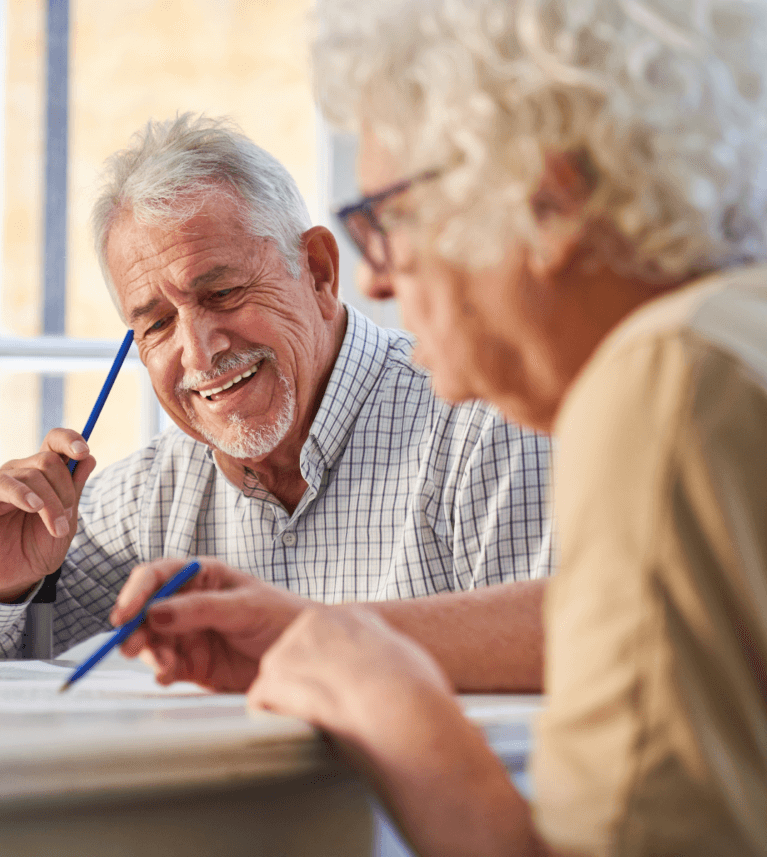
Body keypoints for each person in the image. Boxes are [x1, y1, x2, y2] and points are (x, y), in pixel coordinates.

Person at [227, 0, 767, 854]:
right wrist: (334, 632)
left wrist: (389, 706)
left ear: (546, 201)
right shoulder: (734, 339)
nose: (374, 283)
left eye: (387, 220)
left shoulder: (662, 379)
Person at [0, 114, 554, 694]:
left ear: (319, 272)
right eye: (157, 324)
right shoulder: (157, 490)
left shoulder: (484, 427)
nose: (199, 352)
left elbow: (566, 664)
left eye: (222, 294)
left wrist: (308, 637)